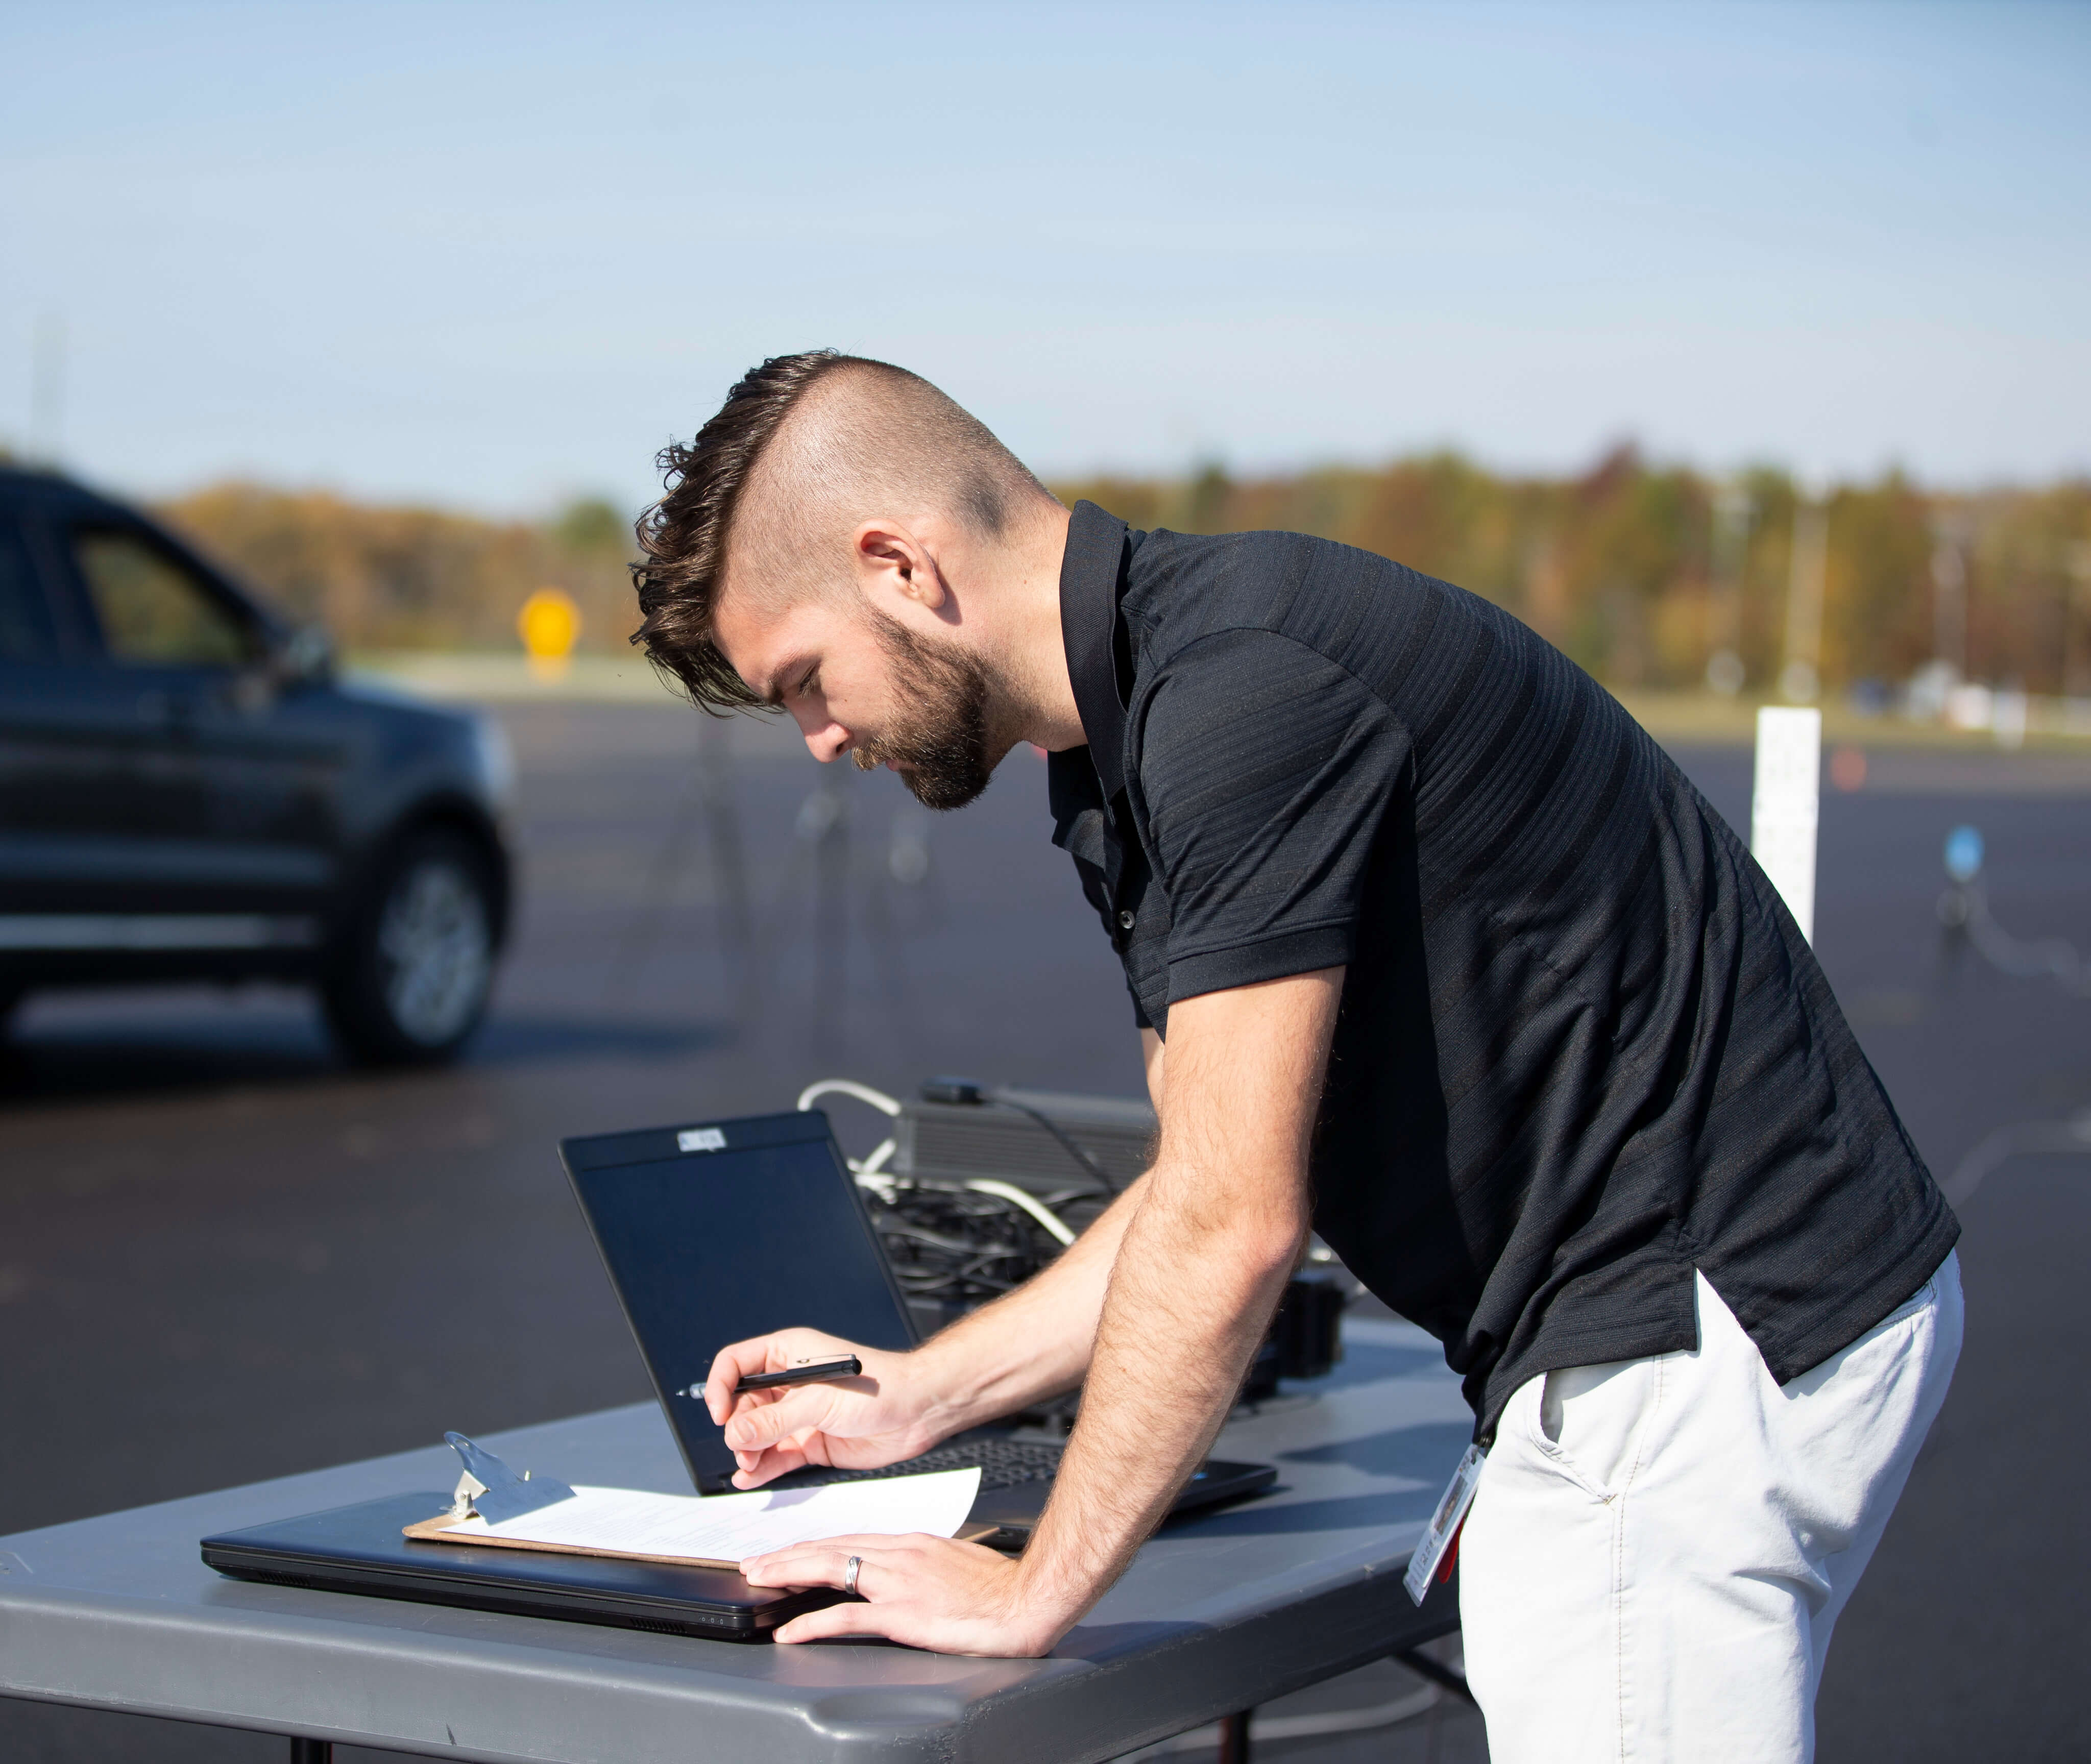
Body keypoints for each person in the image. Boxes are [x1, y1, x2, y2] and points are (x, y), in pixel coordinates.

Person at [625, 350, 1962, 1761]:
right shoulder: (1122, 743)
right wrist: (922, 1393)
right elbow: (1207, 1179)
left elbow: (1233, 1227)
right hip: (1738, 1310)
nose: (822, 741)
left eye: (806, 683)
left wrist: (1031, 1593)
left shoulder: (1240, 698)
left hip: (1688, 1333)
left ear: (900, 565)